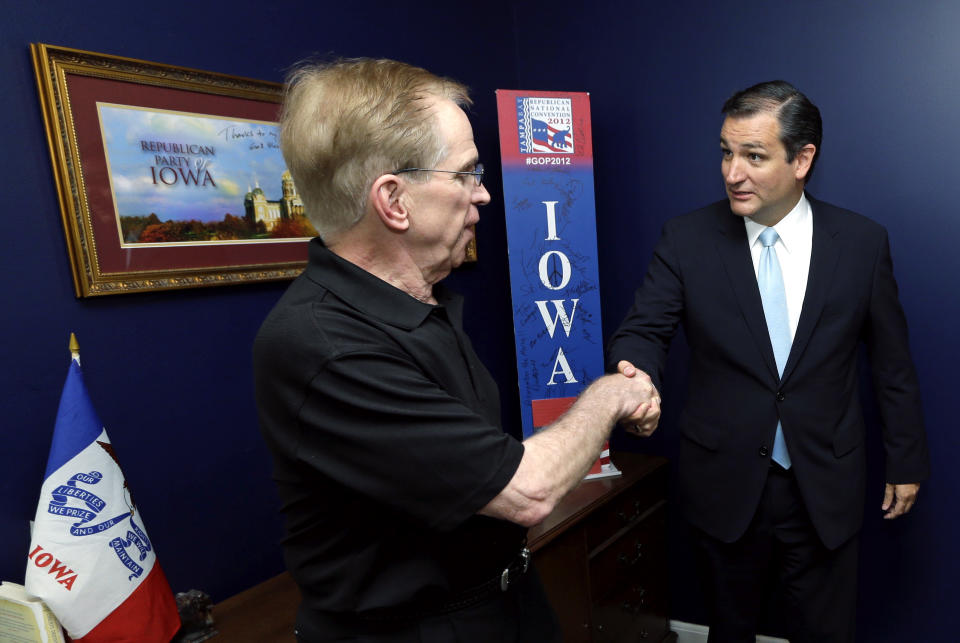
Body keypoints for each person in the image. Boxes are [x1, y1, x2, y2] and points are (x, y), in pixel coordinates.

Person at [252, 58, 658, 643]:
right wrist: (610, 395)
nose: (485, 194)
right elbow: (528, 489)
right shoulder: (325, 345)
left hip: (502, 602)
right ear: (394, 200)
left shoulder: (421, 300)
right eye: (466, 173)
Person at [607, 80, 929, 643]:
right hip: (724, 484)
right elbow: (643, 330)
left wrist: (906, 459)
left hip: (824, 483)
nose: (733, 172)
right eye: (726, 153)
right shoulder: (686, 239)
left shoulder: (861, 242)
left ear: (803, 159)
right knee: (729, 631)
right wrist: (635, 377)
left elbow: (892, 363)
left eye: (754, 156)